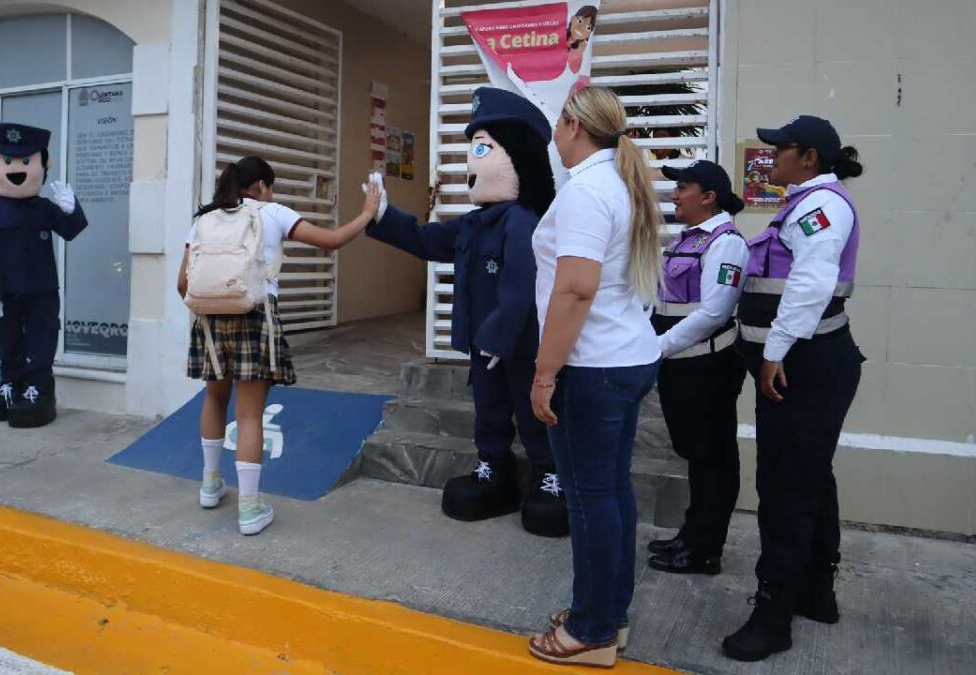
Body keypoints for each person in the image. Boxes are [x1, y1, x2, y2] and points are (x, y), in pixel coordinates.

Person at [366, 87, 568, 537]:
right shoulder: (475, 223)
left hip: (521, 345)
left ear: (517, 159)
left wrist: (497, 337)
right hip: (484, 345)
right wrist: (383, 214)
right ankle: (493, 468)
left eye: (483, 149)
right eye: (473, 150)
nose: (471, 164)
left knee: (534, 412)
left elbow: (520, 287)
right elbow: (427, 240)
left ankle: (550, 474)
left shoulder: (523, 223)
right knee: (489, 411)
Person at [526, 86, 662, 668]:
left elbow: (576, 289)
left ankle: (592, 630)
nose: (554, 138)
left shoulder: (586, 190)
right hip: (625, 357)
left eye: (557, 126)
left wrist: (544, 372)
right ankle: (609, 614)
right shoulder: (618, 182)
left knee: (589, 499)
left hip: (591, 366)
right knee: (610, 492)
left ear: (574, 126)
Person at [723, 115, 865, 662]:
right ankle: (815, 591)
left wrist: (774, 352)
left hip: (803, 364)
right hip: (806, 362)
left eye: (780, 148)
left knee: (785, 488)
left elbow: (810, 284)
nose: (770, 156)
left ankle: (773, 615)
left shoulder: (820, 205)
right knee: (810, 478)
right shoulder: (804, 203)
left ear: (808, 157)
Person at [177, 156, 381, 536]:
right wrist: (368, 212)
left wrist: (214, 306)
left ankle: (209, 486)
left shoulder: (204, 220)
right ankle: (249, 509)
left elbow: (183, 284)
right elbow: (333, 240)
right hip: (255, 315)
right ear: (262, 186)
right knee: (249, 414)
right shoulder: (272, 213)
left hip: (209, 319)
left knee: (214, 399)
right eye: (271, 187)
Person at [646, 160, 749, 576]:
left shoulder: (727, 244)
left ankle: (705, 550)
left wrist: (657, 347)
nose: (675, 194)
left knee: (713, 459)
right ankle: (691, 535)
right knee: (695, 455)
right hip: (681, 366)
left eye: (684, 187)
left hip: (707, 368)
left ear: (709, 197)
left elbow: (714, 312)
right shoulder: (687, 239)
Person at [0, 123, 86, 428]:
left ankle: (39, 389)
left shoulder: (44, 207)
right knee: (6, 340)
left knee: (41, 340)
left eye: (25, 161)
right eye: (7, 161)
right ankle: (11, 384)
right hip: (4, 293)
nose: (16, 169)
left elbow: (71, 230)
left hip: (41, 291)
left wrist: (71, 209)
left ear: (44, 166)